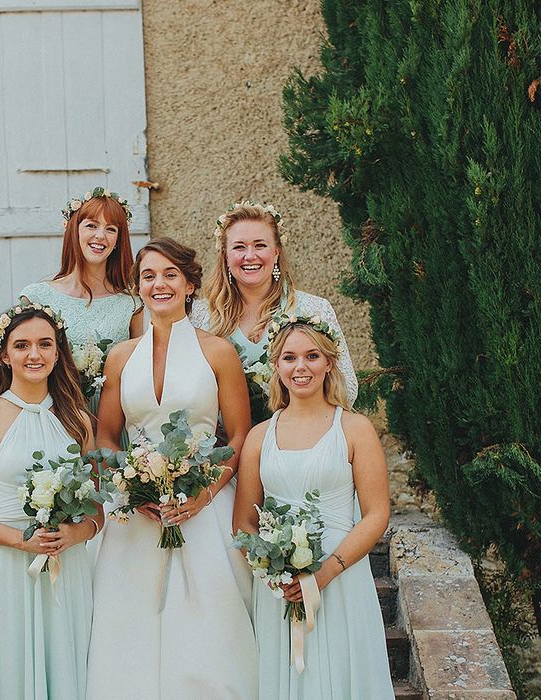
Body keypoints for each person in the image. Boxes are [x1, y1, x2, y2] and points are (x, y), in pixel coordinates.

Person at [86, 237, 258, 700]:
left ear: (189, 284)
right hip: (137, 515)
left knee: (207, 625)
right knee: (128, 625)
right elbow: (106, 437)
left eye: (169, 275)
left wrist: (203, 494)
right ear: (138, 286)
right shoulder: (120, 356)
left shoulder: (218, 351)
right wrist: (128, 488)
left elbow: (240, 436)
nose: (158, 284)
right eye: (148, 276)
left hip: (205, 507)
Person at [0, 298, 101, 700]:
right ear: (4, 355)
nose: (35, 354)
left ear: (58, 352)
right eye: (22, 345)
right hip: (5, 567)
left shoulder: (78, 420)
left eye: (45, 344)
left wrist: (76, 533)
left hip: (67, 568)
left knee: (67, 670)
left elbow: (97, 509)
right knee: (8, 672)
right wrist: (19, 540)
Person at [233, 311, 394, 699]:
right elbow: (244, 522)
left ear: (329, 363)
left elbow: (376, 514)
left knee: (341, 672)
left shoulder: (355, 429)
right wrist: (276, 574)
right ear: (276, 366)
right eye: (289, 358)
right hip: (280, 588)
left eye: (311, 356)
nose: (300, 367)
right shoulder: (259, 437)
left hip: (340, 577)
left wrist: (323, 573)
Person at [205, 201, 358, 413]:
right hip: (228, 441)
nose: (250, 256)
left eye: (260, 245)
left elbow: (347, 387)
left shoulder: (314, 309)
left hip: (297, 436)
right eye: (239, 247)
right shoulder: (205, 316)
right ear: (225, 255)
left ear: (276, 252)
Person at [20, 187, 142, 413]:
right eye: (91, 226)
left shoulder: (132, 305)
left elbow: (141, 374)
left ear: (118, 240)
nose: (100, 236)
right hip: (55, 413)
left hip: (113, 417)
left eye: (111, 229)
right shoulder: (37, 297)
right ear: (73, 231)